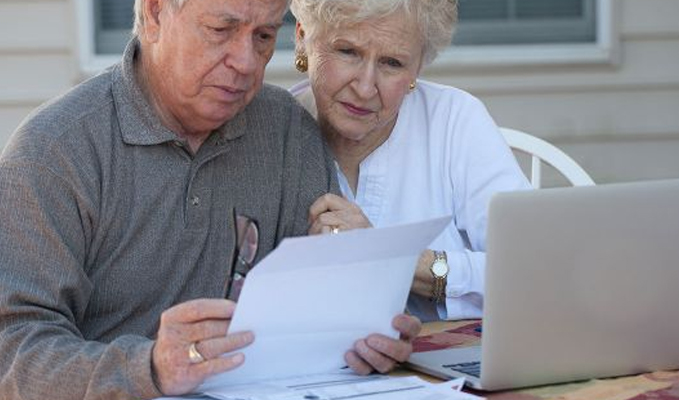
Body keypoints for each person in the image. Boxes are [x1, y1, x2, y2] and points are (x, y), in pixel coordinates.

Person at [0, 0, 420, 399]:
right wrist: (150, 368)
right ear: (155, 14)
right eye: (221, 29)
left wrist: (365, 334)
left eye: (263, 37)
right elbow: (12, 354)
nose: (246, 61)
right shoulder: (54, 152)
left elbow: (316, 317)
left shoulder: (287, 131)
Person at [290, 0, 531, 322]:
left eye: (392, 63)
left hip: (451, 361)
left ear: (417, 69)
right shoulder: (271, 136)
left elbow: (531, 268)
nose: (364, 88)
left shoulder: (454, 120)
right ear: (303, 39)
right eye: (348, 52)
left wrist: (392, 257)